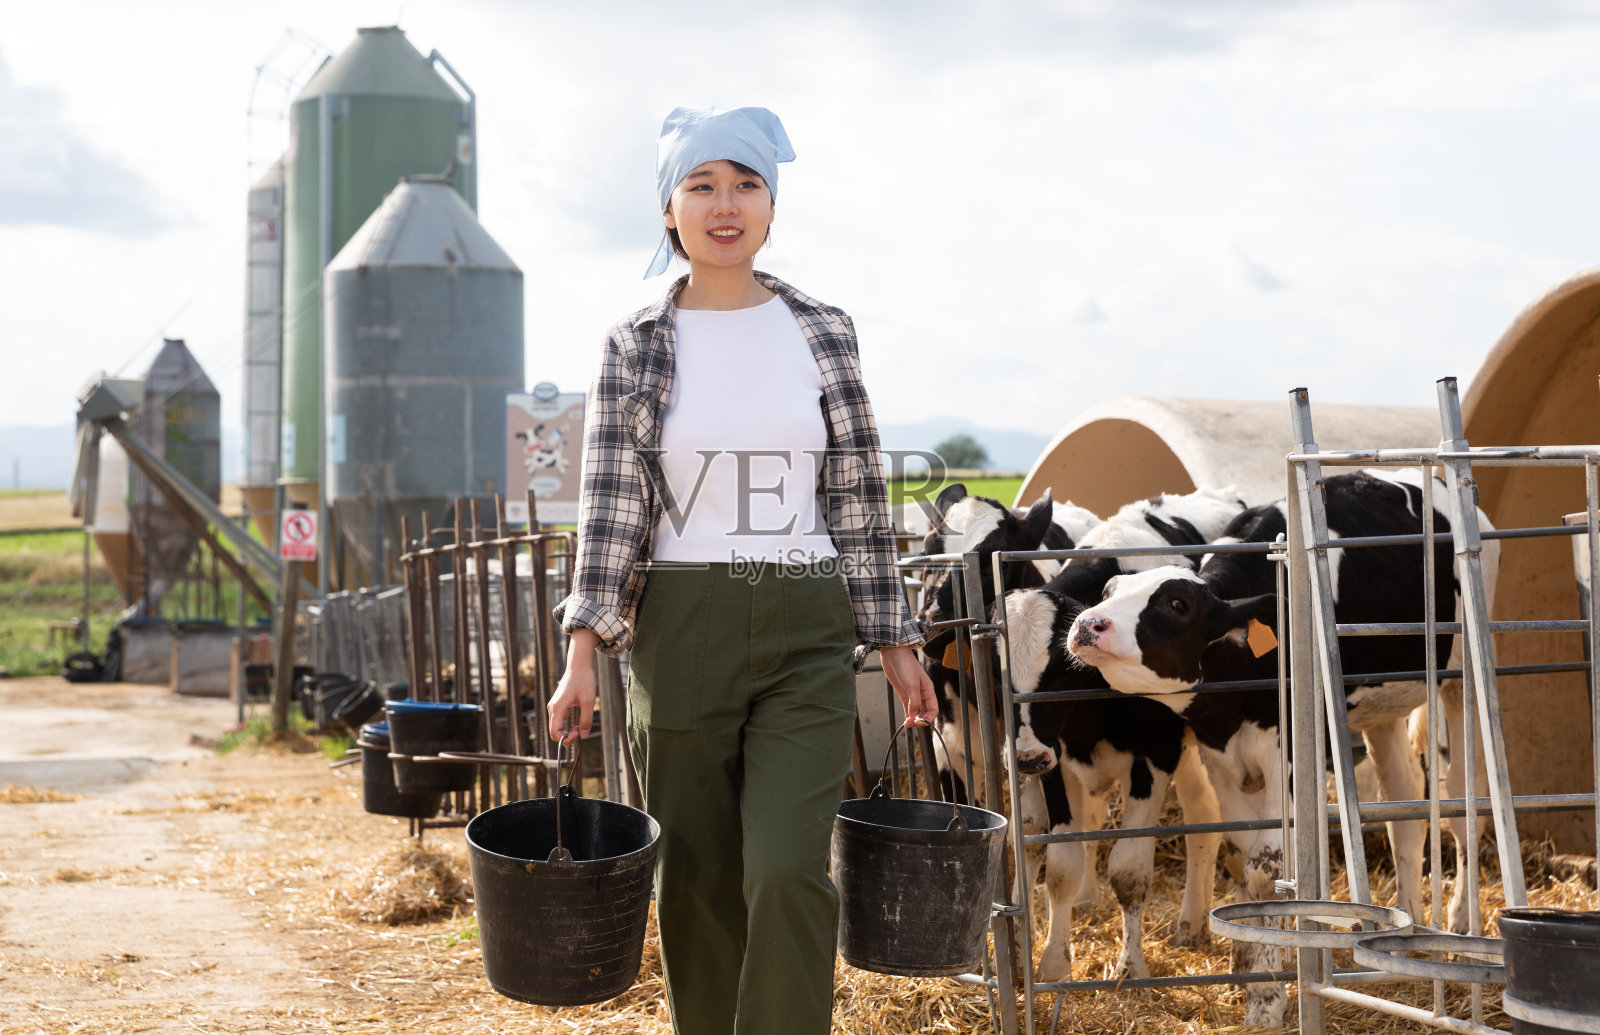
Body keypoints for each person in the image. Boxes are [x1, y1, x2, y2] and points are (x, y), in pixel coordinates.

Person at [548, 105, 937, 1035]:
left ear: (771, 205)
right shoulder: (636, 340)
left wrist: (895, 638)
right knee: (697, 876)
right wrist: (582, 650)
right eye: (702, 185)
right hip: (680, 628)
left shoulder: (822, 330)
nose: (725, 205)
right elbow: (611, 503)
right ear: (669, 210)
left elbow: (855, 491)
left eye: (746, 184)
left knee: (788, 870)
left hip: (806, 623)